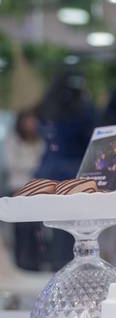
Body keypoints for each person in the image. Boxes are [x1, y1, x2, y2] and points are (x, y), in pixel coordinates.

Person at [34, 70, 96, 270]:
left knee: (56, 226)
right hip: (75, 172)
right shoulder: (84, 108)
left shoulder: (46, 107)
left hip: (48, 171)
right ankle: (77, 269)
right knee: (79, 226)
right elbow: (90, 142)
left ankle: (57, 266)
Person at [4, 109, 44, 270]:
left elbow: (43, 162)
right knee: (21, 228)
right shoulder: (12, 140)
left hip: (36, 189)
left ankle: (36, 261)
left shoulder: (39, 140)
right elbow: (12, 164)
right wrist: (33, 164)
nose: (31, 124)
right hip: (18, 188)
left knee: (36, 228)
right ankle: (21, 262)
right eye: (28, 121)